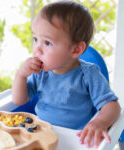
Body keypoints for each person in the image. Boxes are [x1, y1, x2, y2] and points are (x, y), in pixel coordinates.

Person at [12, 0, 120, 148]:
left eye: (47, 43)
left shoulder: (88, 74)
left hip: (75, 139)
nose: (37, 49)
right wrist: (21, 75)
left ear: (76, 49)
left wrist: (100, 122)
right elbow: (19, 100)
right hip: (41, 134)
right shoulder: (40, 72)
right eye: (35, 39)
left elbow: (112, 106)